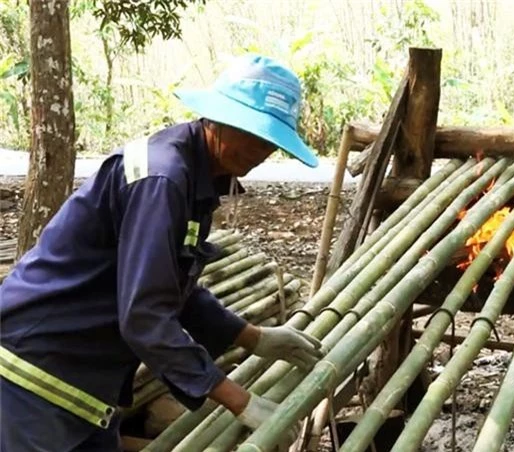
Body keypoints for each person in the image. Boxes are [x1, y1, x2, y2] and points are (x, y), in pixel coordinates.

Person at [0, 54, 323, 451]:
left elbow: (170, 284)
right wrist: (241, 402)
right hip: (31, 377)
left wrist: (253, 338)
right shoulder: (163, 179)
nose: (260, 152)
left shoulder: (196, 175)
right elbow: (144, 316)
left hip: (82, 390)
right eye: (253, 135)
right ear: (219, 119)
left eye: (271, 142)